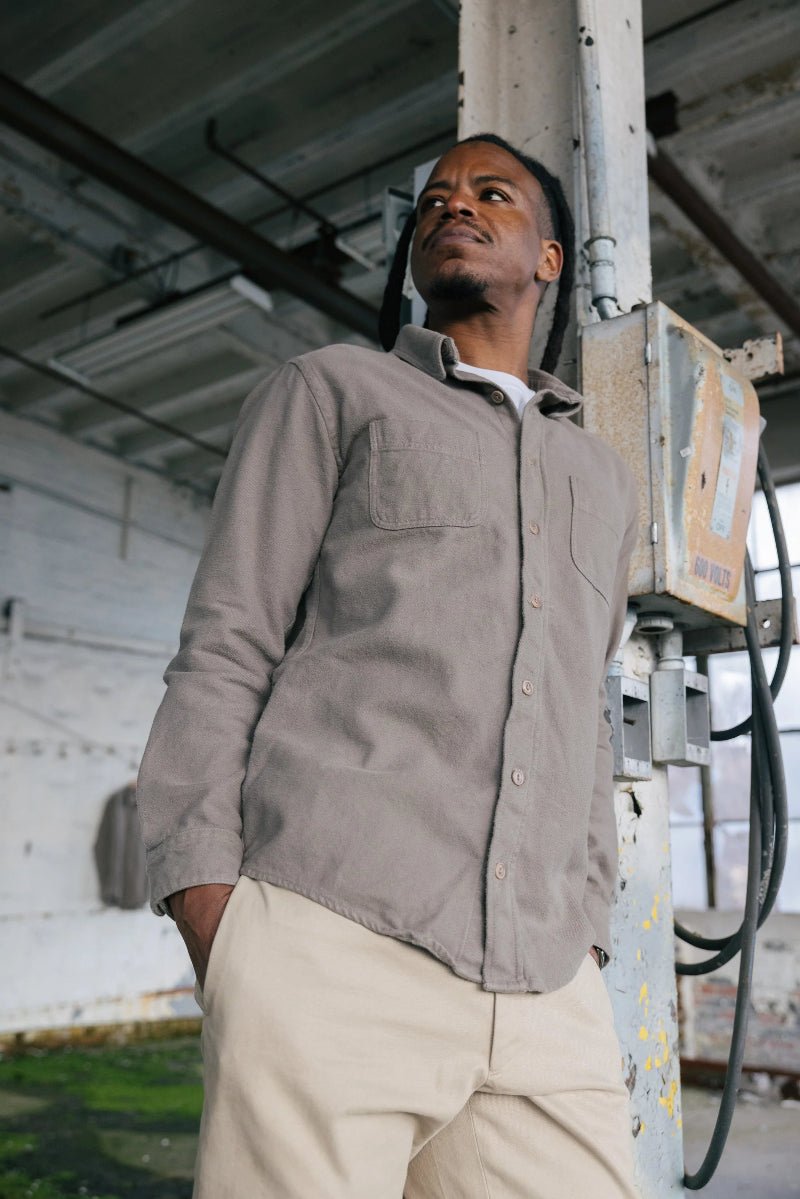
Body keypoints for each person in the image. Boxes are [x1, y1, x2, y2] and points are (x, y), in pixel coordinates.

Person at [136, 131, 641, 1198]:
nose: (455, 206)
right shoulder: (331, 391)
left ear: (549, 258)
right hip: (332, 935)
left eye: (493, 194)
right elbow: (227, 640)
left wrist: (590, 923)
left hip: (547, 977)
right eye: (435, 201)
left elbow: (583, 715)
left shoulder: (601, 479)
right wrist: (205, 894)